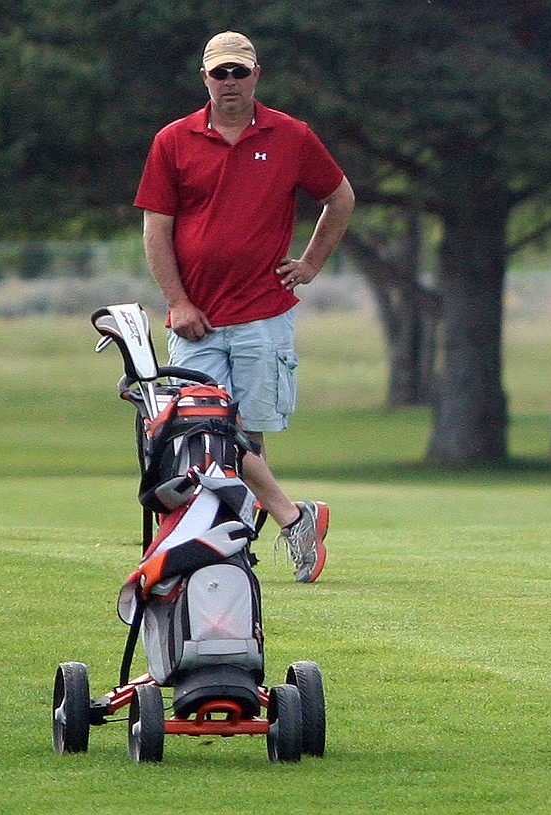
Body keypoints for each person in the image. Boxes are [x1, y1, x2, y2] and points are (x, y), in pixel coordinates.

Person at [134, 31, 355, 583]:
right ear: (204, 78)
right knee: (200, 430)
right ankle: (289, 515)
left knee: (245, 433)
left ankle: (233, 538)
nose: (229, 82)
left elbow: (340, 197)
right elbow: (156, 229)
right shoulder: (173, 140)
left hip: (263, 311)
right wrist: (177, 301)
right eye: (219, 74)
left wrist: (309, 265)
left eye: (239, 72)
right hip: (197, 320)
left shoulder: (291, 135)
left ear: (257, 74)